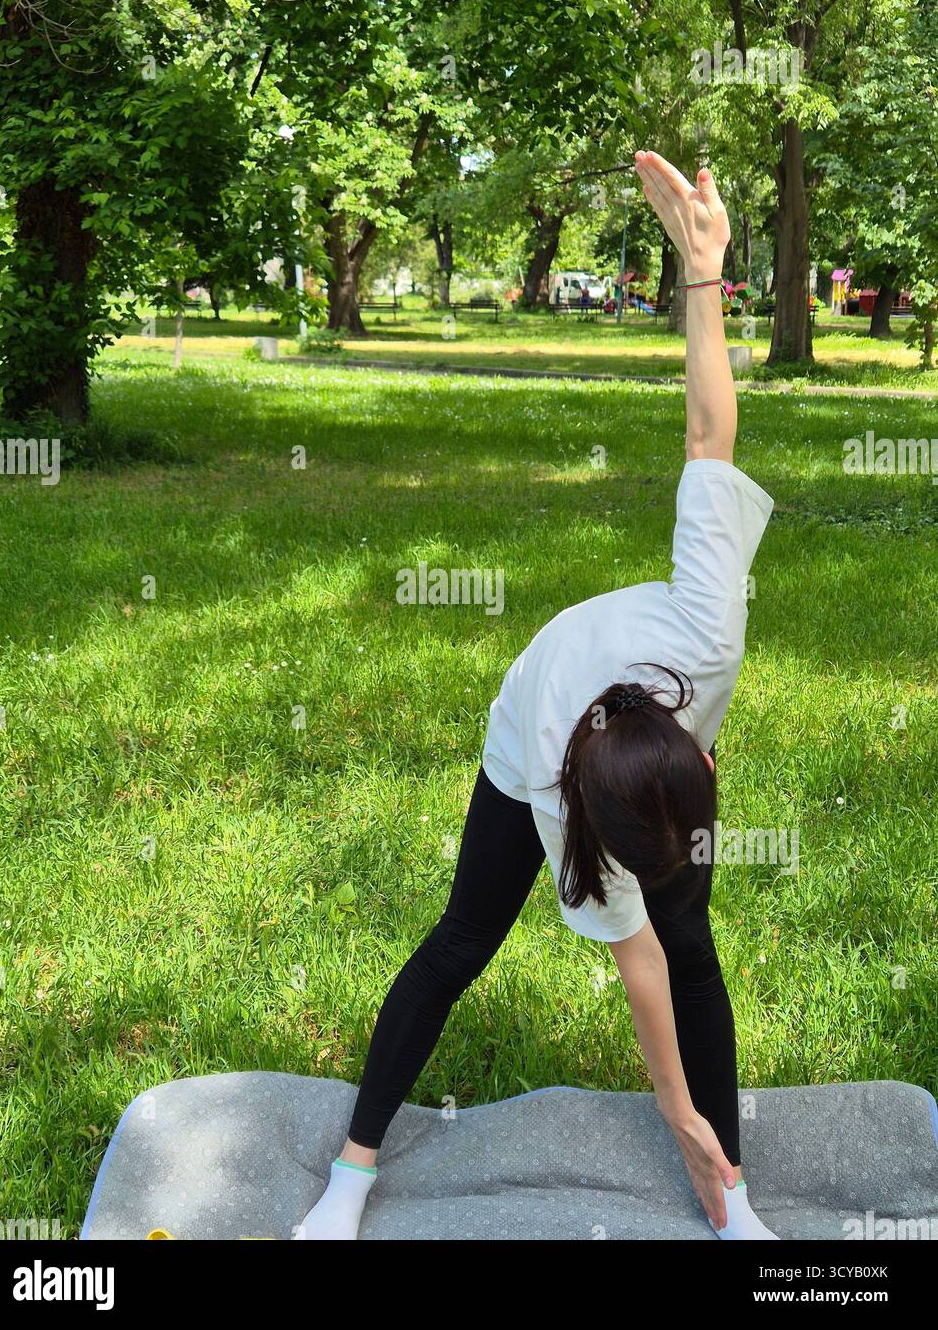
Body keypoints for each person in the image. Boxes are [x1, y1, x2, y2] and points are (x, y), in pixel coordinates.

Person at [300, 150, 778, 1242]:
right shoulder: (559, 799)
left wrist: (702, 272)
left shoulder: (707, 633)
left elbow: (709, 433)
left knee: (695, 943)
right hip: (535, 730)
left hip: (631, 735)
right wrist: (669, 1105)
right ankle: (353, 1170)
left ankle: (732, 1197)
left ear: (698, 749)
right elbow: (634, 961)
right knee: (464, 936)